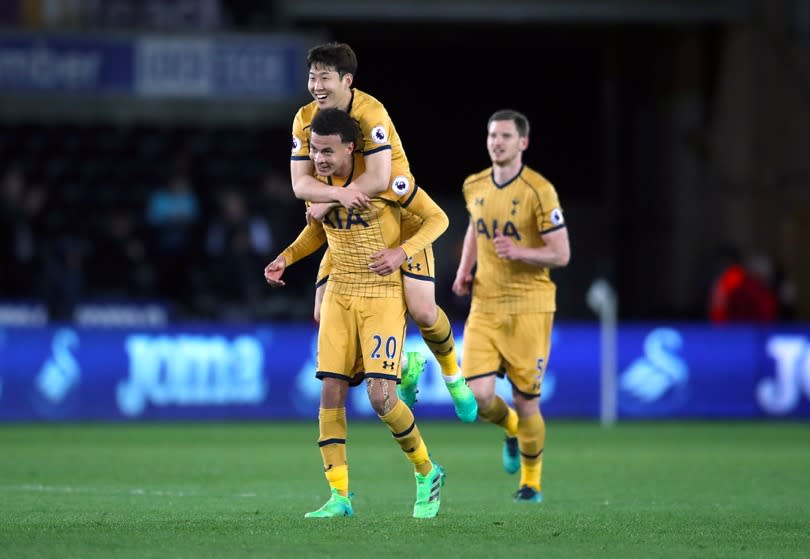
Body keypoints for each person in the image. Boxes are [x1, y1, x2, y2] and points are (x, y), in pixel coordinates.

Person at [265, 108, 448, 519]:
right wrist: (286, 258)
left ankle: (426, 470)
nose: (320, 159)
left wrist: (402, 252)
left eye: (328, 151)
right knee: (330, 391)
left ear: (351, 147)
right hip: (340, 292)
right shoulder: (316, 185)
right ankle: (340, 496)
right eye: (313, 150)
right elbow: (318, 231)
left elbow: (438, 218)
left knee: (381, 398)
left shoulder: (383, 179)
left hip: (381, 294)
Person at [288, 41, 477, 422]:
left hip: (396, 218)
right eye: (312, 77)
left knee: (423, 311)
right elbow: (299, 185)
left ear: (347, 80)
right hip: (350, 224)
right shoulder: (304, 118)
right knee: (324, 315)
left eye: (324, 77)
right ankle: (395, 366)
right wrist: (335, 198)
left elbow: (378, 178)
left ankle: (454, 376)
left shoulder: (371, 113)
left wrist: (329, 199)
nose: (316, 86)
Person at [452, 109, 570, 503]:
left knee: (527, 397)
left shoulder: (540, 190)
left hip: (529, 307)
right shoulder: (474, 185)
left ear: (523, 142)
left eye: (504, 136)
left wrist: (519, 251)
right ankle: (511, 428)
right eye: (491, 135)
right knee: (478, 398)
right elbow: (474, 227)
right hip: (485, 305)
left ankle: (531, 483)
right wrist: (464, 270)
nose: (496, 142)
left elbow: (562, 253)